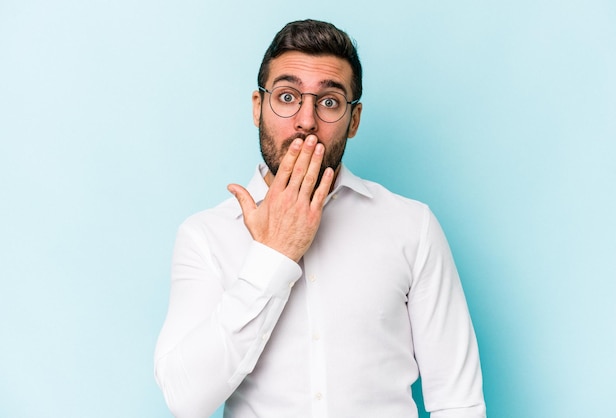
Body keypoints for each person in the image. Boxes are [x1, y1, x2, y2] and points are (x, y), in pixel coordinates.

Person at [154, 19, 486, 418]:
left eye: (328, 101)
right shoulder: (205, 236)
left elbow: (458, 401)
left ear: (355, 119)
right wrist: (273, 256)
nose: (306, 121)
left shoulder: (412, 226)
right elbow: (185, 400)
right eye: (288, 96)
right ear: (258, 108)